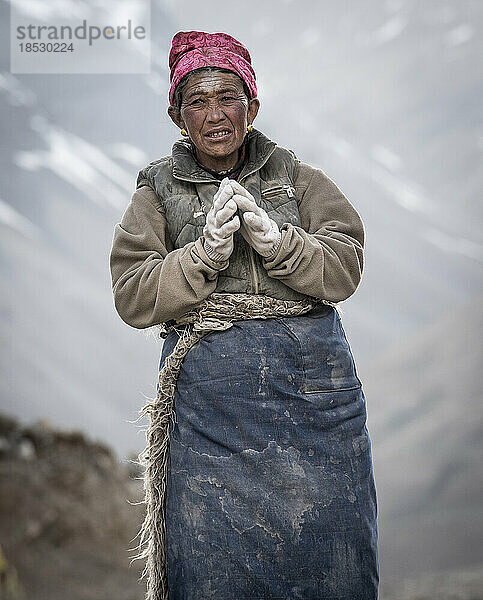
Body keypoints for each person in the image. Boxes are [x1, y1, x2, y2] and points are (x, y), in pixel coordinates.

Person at [109, 30, 379, 600]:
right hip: (213, 417)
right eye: (197, 101)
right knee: (212, 563)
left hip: (315, 408)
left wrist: (282, 244)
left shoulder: (298, 179)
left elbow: (346, 264)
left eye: (227, 97)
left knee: (329, 554)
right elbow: (132, 292)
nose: (214, 115)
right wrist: (200, 259)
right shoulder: (156, 194)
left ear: (252, 107)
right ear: (177, 116)